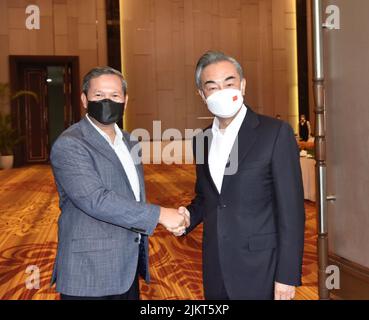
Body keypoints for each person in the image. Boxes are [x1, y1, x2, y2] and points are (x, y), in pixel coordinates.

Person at [173, 51, 305, 300]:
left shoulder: (274, 133)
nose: (221, 92)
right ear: (202, 95)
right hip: (216, 266)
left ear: (242, 85)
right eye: (212, 87)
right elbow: (207, 198)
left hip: (261, 268)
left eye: (229, 83)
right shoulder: (201, 140)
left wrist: (286, 276)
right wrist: (188, 217)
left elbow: (291, 211)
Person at [50, 66, 188, 300]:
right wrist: (161, 215)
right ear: (84, 100)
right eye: (98, 96)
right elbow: (95, 200)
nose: (107, 101)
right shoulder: (70, 144)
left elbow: (131, 194)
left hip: (126, 265)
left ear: (125, 100)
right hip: (89, 271)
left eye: (114, 96)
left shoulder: (129, 141)